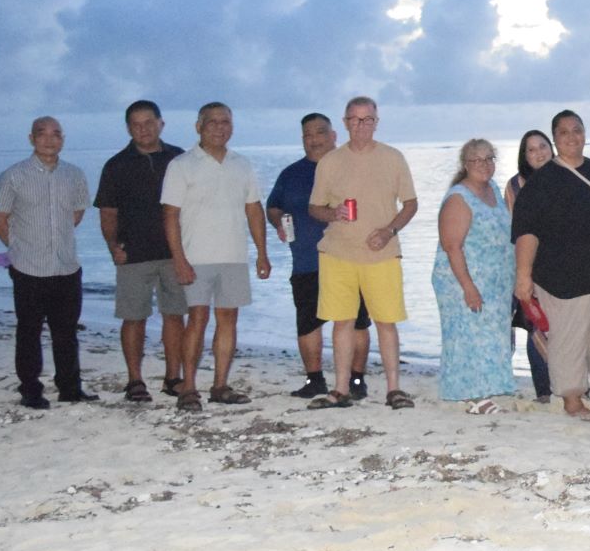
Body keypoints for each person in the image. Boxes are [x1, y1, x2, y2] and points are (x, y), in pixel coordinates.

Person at [513, 109, 590, 420]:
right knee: (568, 340)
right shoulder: (541, 183)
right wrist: (523, 277)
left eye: (577, 130)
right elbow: (526, 233)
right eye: (564, 132)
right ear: (555, 139)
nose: (571, 137)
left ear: (585, 134)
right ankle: (572, 399)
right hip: (561, 279)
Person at [305, 96, 417, 411]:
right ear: (345, 123)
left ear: (377, 122)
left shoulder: (393, 158)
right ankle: (340, 390)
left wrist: (388, 231)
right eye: (355, 119)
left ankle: (394, 389)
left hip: (382, 253)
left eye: (368, 119)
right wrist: (333, 213)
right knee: (342, 322)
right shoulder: (330, 161)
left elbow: (410, 204)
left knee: (386, 321)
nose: (362, 125)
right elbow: (314, 207)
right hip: (337, 252)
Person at [159, 103, 270, 411]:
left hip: (233, 255)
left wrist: (262, 253)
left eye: (226, 122)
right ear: (199, 126)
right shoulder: (182, 165)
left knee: (228, 320)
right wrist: (178, 259)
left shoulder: (242, 164)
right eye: (213, 122)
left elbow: (253, 209)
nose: (220, 127)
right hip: (196, 257)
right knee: (196, 318)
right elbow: (170, 214)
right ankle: (189, 387)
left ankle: (220, 385)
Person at [267, 112, 373, 400]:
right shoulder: (290, 173)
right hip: (306, 260)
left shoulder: (353, 166)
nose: (313, 140)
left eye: (320, 133)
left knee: (357, 321)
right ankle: (315, 380)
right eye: (307, 135)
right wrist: (278, 221)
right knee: (308, 322)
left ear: (334, 135)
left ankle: (356, 380)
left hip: (351, 259)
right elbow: (273, 206)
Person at [0, 116, 93, 409]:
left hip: (66, 266)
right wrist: (17, 249)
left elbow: (76, 213)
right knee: (29, 331)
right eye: (42, 134)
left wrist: (55, 240)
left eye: (56, 134)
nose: (49, 139)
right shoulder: (13, 175)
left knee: (66, 331)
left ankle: (70, 388)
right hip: (28, 268)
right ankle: (30, 390)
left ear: (63, 138)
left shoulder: (74, 175)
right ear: (31, 138)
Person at [93, 100, 186, 402]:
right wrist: (112, 247)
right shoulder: (116, 165)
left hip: (175, 253)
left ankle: (173, 378)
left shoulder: (179, 159)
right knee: (134, 318)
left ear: (161, 123)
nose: (143, 129)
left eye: (149, 122)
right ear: (128, 128)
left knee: (175, 316)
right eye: (136, 124)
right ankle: (135, 380)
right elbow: (108, 213)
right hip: (132, 254)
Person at [430, 139, 515, 412]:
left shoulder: (491, 189)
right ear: (465, 165)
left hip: (494, 280)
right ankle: (471, 395)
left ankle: (485, 387)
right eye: (477, 160)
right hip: (463, 279)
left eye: (489, 158)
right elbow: (452, 246)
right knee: (467, 335)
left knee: (489, 335)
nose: (484, 165)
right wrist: (468, 287)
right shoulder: (459, 198)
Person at [505, 130, 554, 402]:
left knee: (564, 328)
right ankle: (544, 390)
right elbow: (515, 232)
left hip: (564, 267)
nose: (538, 153)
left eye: (542, 147)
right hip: (531, 267)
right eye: (531, 149)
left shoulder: (565, 177)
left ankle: (567, 383)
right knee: (537, 326)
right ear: (524, 155)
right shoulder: (516, 186)